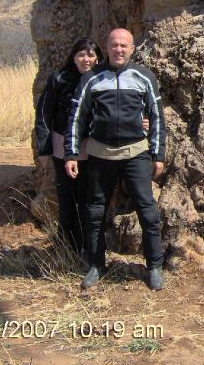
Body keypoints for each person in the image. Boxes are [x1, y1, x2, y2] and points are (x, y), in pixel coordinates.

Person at [64, 28, 167, 290]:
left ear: (132, 49)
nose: (119, 49)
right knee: (95, 212)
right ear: (106, 48)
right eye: (114, 45)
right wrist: (71, 153)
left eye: (124, 45)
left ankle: (154, 266)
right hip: (100, 155)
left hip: (136, 154)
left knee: (148, 211)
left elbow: (157, 117)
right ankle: (96, 265)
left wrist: (158, 154)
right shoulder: (91, 78)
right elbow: (76, 117)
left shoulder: (144, 77)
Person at [34, 38, 103, 256]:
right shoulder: (60, 78)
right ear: (73, 57)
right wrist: (43, 150)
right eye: (81, 54)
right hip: (62, 145)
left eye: (91, 55)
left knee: (88, 198)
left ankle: (88, 247)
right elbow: (44, 113)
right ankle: (66, 246)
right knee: (66, 197)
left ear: (98, 58)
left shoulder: (101, 79)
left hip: (91, 146)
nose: (86, 59)